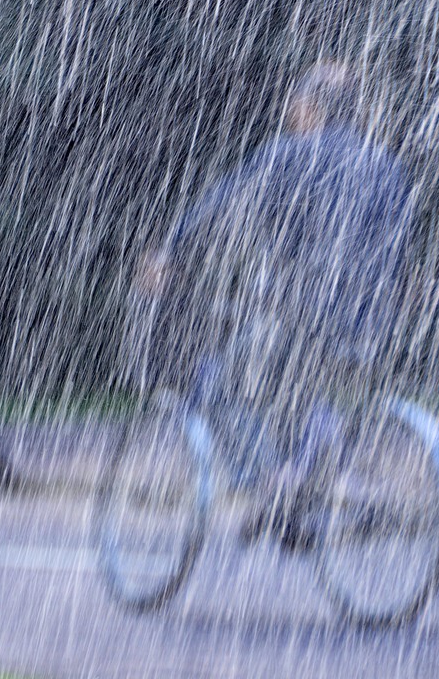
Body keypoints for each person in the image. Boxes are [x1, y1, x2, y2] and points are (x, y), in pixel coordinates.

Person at [135, 60, 414, 548]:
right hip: (371, 328)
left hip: (307, 319)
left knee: (215, 384)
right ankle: (328, 490)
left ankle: (272, 490)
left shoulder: (291, 155)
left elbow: (223, 204)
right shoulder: (387, 166)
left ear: (311, 108)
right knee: (296, 392)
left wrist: (171, 254)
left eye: (294, 103)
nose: (287, 113)